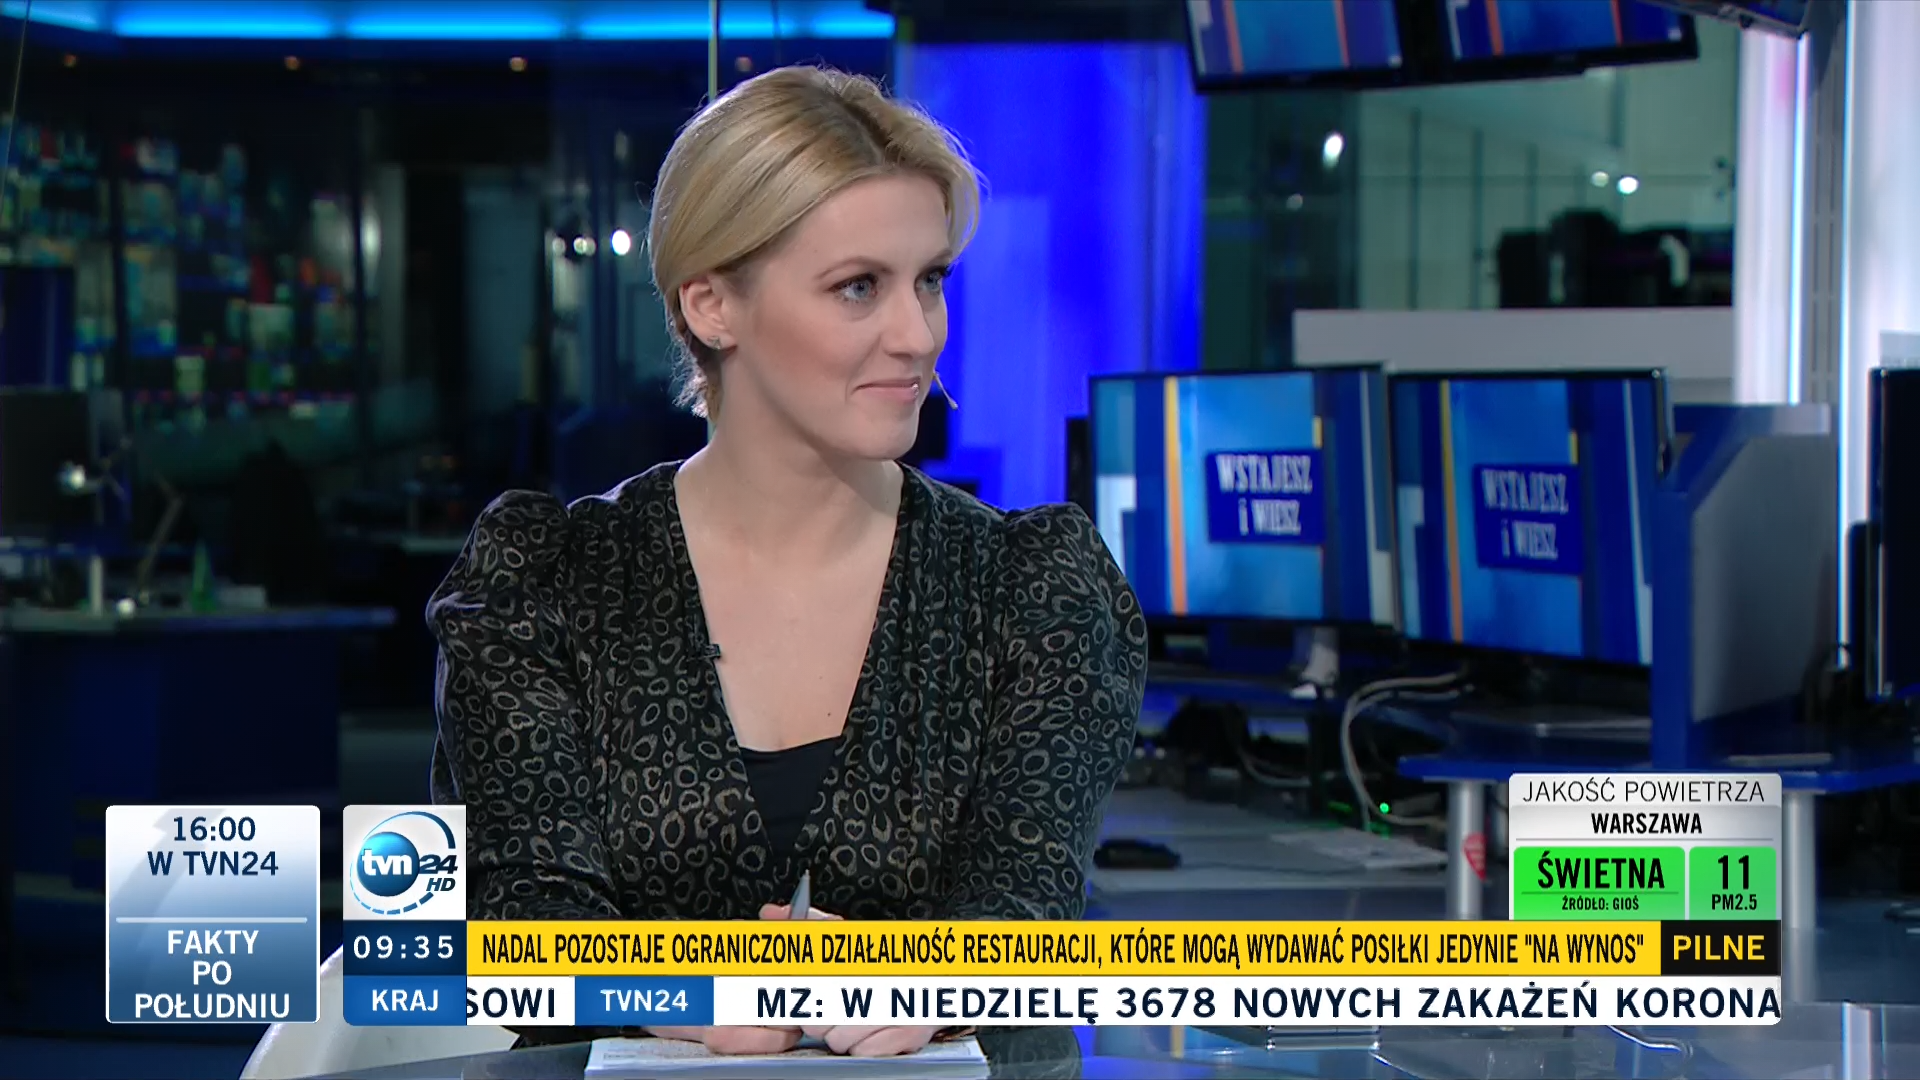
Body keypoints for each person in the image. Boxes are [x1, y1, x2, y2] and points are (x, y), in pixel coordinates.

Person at [428, 65, 1147, 1060]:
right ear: (711, 306)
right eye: (859, 287)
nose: (918, 336)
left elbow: (1024, 906)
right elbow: (519, 918)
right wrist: (689, 988)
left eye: (929, 281)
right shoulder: (545, 582)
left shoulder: (1030, 587)